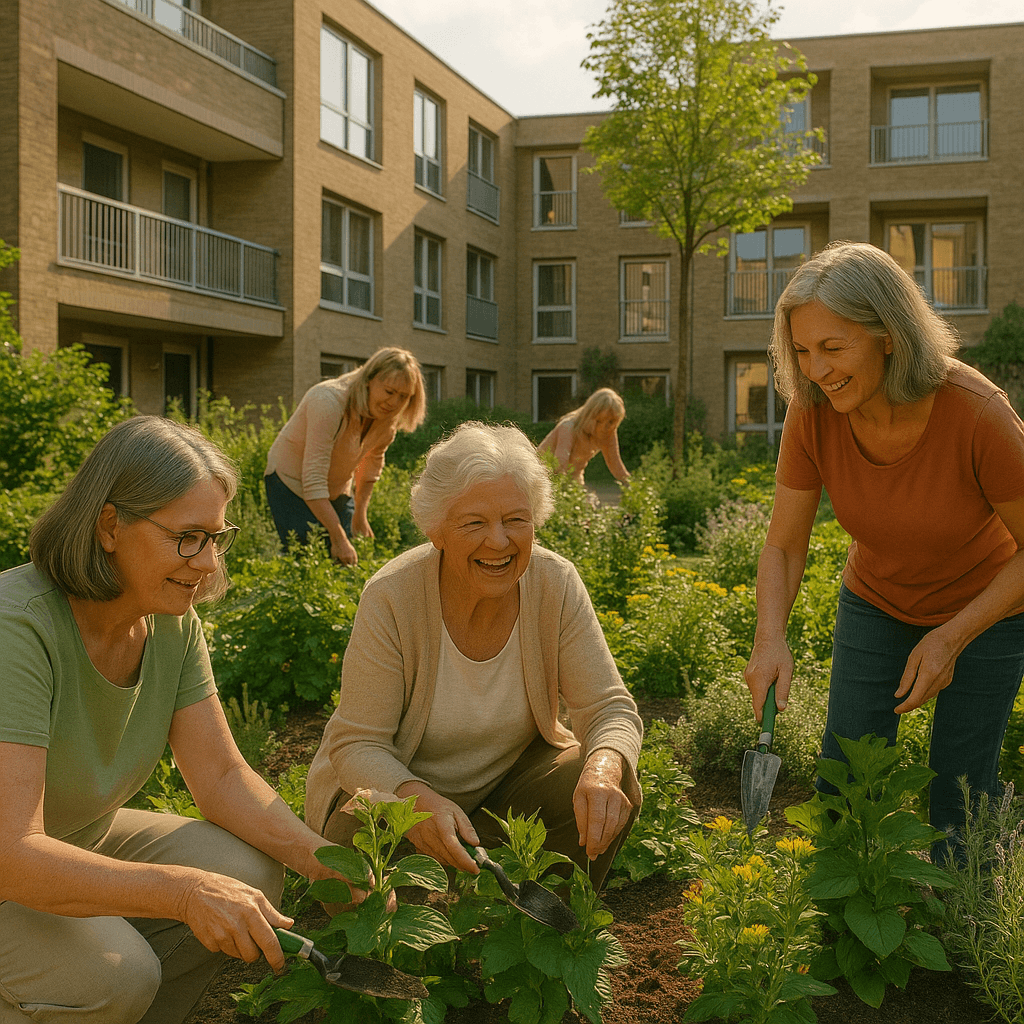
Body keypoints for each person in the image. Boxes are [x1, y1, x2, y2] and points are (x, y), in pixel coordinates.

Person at [0, 417, 363, 1024]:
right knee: (115, 976)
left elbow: (220, 776)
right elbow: (12, 853)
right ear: (109, 525)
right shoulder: (19, 628)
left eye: (217, 538)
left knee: (245, 873)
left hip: (70, 843)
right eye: (188, 537)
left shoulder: (168, 618)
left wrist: (326, 860)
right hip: (11, 865)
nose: (207, 562)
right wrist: (183, 891)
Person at [743, 240, 1024, 863]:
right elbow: (784, 546)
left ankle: (962, 932)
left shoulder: (977, 415)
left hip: (988, 609)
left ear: (889, 335)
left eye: (833, 348)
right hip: (877, 601)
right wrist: (770, 638)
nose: (815, 370)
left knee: (960, 796)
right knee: (844, 775)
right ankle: (839, 923)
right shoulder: (813, 411)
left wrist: (952, 637)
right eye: (802, 351)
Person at [305, 422, 644, 891]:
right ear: (437, 529)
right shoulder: (392, 597)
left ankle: (544, 927)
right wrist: (418, 801)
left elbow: (608, 707)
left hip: (502, 797)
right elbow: (357, 745)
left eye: (516, 520)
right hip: (401, 796)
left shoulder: (554, 582)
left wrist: (605, 764)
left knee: (610, 777)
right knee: (364, 865)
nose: (500, 541)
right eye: (474, 523)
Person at [264, 347, 427, 566]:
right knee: (306, 557)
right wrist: (337, 535)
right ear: (370, 379)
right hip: (291, 482)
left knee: (346, 558)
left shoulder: (388, 416)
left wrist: (360, 514)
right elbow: (313, 477)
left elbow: (371, 465)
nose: (395, 403)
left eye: (404, 397)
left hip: (335, 485)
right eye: (389, 392)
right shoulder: (327, 401)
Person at [537, 387, 631, 486]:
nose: (605, 427)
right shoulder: (568, 427)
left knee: (586, 500)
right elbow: (560, 463)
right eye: (599, 421)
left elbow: (615, 464)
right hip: (542, 474)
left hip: (573, 476)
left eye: (611, 422)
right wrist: (565, 490)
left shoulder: (609, 431)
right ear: (590, 415)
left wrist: (633, 485)